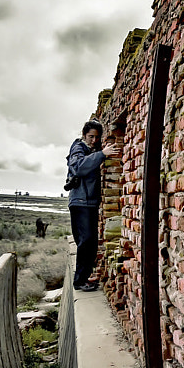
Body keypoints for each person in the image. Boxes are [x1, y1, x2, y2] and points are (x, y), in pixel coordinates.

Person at [66, 120, 119, 292]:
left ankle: (84, 277)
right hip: (80, 202)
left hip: (89, 203)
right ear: (84, 135)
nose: (94, 140)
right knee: (86, 240)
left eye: (97, 137)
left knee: (91, 243)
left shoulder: (92, 149)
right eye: (91, 136)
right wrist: (102, 154)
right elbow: (79, 168)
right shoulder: (78, 148)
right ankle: (79, 281)